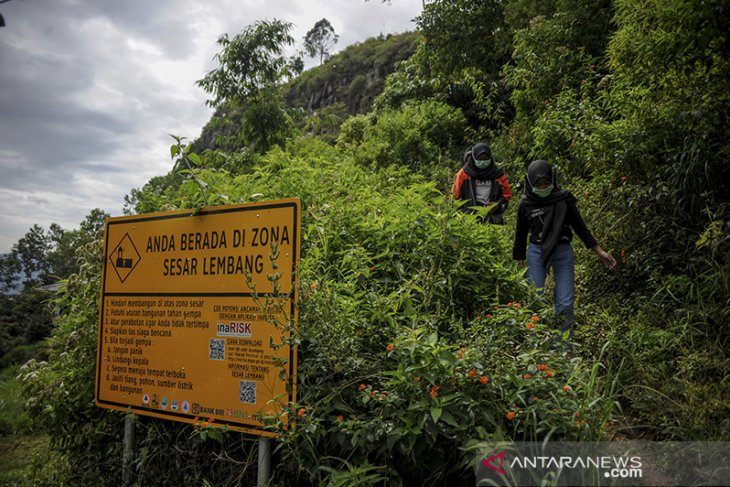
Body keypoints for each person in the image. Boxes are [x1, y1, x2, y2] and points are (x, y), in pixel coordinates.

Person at [513, 160, 616, 343]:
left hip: (562, 251)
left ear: (553, 180)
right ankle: (539, 346)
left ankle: (563, 349)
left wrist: (599, 251)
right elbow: (520, 234)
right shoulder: (525, 203)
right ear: (530, 183)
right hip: (537, 252)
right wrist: (520, 262)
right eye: (538, 185)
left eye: (546, 184)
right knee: (535, 299)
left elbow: (580, 226)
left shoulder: (563, 199)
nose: (543, 188)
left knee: (565, 303)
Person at [452, 142, 512, 224]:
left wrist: (497, 205)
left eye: (485, 159)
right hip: (469, 218)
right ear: (473, 158)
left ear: (490, 158)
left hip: (492, 219)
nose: (483, 162)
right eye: (480, 159)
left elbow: (506, 196)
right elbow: (455, 196)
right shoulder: (464, 174)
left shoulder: (498, 175)